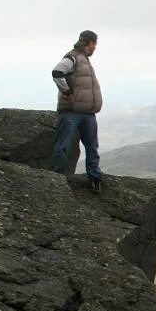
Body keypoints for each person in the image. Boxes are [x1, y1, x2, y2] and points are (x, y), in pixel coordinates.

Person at [51, 30, 104, 193]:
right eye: (94, 44)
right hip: (71, 112)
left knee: (92, 146)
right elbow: (57, 72)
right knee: (63, 146)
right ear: (90, 43)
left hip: (88, 113)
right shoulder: (72, 56)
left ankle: (94, 177)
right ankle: (57, 179)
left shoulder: (85, 60)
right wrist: (68, 92)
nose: (95, 47)